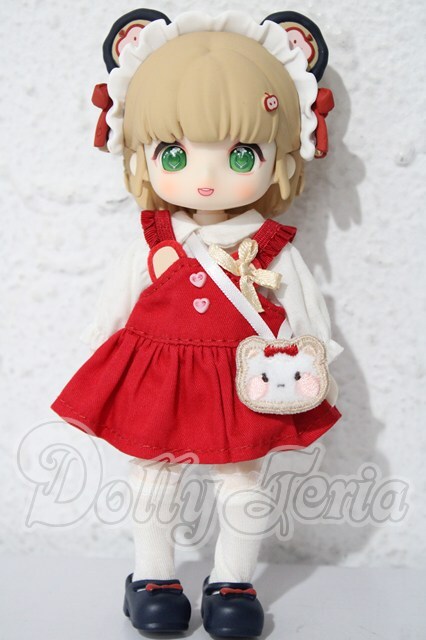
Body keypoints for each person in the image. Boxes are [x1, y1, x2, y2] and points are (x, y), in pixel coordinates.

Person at [51, 9, 343, 637]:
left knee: (242, 483)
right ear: (141, 153)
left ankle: (232, 582)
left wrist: (321, 362)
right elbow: (114, 308)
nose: (205, 179)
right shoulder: (154, 241)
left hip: (241, 379)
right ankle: (152, 577)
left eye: (240, 154)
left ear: (281, 154)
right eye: (176, 153)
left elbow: (305, 313)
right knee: (152, 480)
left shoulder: (269, 247)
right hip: (158, 374)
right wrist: (98, 357)